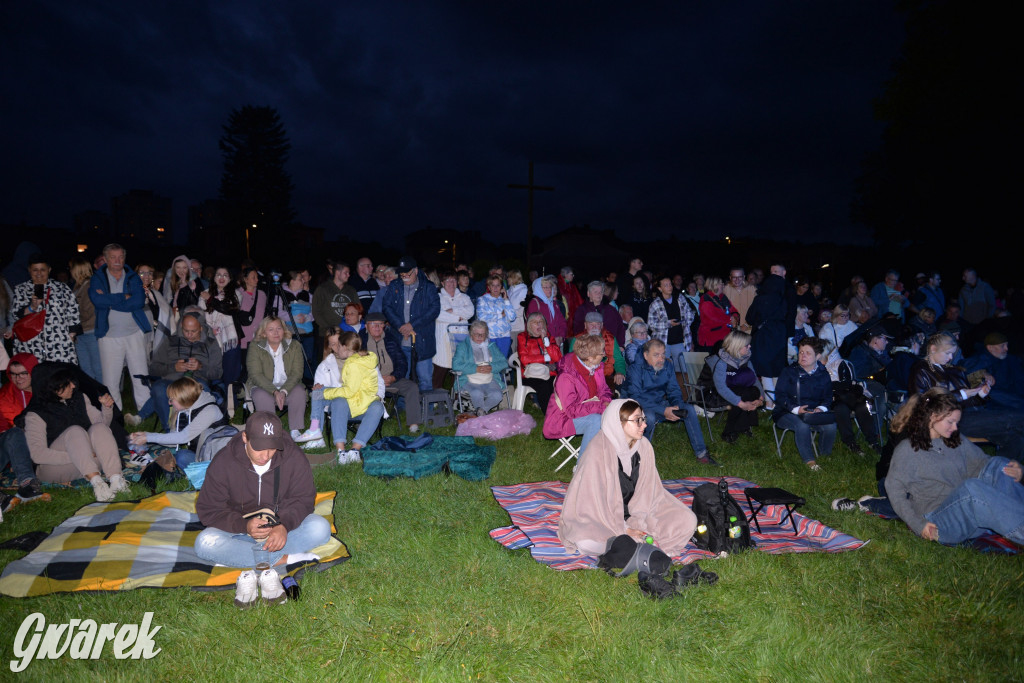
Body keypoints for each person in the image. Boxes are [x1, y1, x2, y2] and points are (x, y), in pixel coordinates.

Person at [194, 411, 331, 607]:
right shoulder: (224, 462)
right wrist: (243, 524)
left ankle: (243, 558)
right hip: (238, 531)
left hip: (280, 531)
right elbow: (208, 509)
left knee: (320, 527)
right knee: (204, 543)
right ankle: (284, 559)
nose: (265, 456)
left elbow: (304, 498)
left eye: (272, 449)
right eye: (258, 448)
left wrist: (284, 524)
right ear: (245, 437)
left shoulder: (293, 456)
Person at [557, 399, 698, 558]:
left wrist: (637, 521)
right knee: (586, 541)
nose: (644, 425)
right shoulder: (598, 450)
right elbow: (592, 504)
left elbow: (650, 491)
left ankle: (634, 545)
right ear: (618, 422)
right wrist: (624, 529)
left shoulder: (644, 447)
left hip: (637, 513)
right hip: (602, 517)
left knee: (687, 520)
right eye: (638, 420)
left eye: (643, 419)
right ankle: (631, 544)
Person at [885, 388, 1024, 546]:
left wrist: (1015, 469)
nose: (955, 428)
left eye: (957, 422)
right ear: (932, 417)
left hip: (967, 513)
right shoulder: (908, 449)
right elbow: (894, 491)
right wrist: (918, 525)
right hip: (939, 521)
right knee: (972, 488)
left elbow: (985, 465)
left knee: (999, 465)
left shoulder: (954, 440)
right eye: (950, 422)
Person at [19, 364, 125, 501]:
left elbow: (102, 428)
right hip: (54, 466)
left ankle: (116, 480)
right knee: (75, 431)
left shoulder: (79, 398)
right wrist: (80, 455)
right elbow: (37, 455)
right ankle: (98, 484)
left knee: (99, 428)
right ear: (53, 386)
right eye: (68, 383)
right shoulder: (35, 414)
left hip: (87, 460)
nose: (73, 386)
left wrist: (106, 408)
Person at [909, 333, 1024, 455]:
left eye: (952, 354)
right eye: (947, 353)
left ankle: (995, 472)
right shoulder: (921, 370)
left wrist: (980, 394)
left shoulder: (953, 370)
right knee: (1017, 418)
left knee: (1016, 440)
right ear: (933, 349)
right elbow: (924, 403)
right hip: (949, 420)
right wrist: (961, 394)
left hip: (972, 414)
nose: (950, 357)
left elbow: (971, 400)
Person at [626, 339, 717, 466]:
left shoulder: (667, 366)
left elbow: (674, 389)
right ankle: (640, 455)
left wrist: (676, 406)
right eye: (656, 355)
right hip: (640, 407)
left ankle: (702, 454)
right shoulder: (635, 369)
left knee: (689, 409)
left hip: (660, 403)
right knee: (650, 417)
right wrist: (663, 410)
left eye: (663, 354)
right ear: (646, 355)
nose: (661, 358)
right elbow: (636, 398)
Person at [89, 243, 151, 413]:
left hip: (134, 334)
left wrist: (109, 301)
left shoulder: (133, 277)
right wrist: (124, 297)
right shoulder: (97, 278)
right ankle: (115, 415)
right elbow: (97, 300)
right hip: (109, 336)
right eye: (113, 257)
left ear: (125, 258)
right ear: (106, 259)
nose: (117, 260)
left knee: (141, 376)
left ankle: (145, 412)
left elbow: (137, 302)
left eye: (120, 257)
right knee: (111, 380)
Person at [137, 311, 223, 430]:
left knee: (202, 392)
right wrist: (173, 367)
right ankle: (170, 429)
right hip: (171, 381)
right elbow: (153, 369)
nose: (189, 335)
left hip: (197, 382)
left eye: (193, 331)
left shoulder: (211, 344)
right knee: (158, 389)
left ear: (201, 328)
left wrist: (200, 367)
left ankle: (196, 430)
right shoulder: (170, 341)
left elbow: (218, 373)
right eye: (185, 330)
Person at [128, 376, 226, 469]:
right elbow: (174, 440)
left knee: (182, 456)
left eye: (171, 400)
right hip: (201, 452)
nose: (169, 403)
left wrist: (148, 437)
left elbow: (183, 437)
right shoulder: (185, 410)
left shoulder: (210, 411)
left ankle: (208, 476)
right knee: (168, 454)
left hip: (218, 459)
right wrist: (145, 435)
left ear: (183, 398)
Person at [772, 336, 836, 470]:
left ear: (818, 356)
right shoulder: (789, 372)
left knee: (831, 426)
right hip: (786, 412)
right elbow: (780, 396)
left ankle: (825, 456)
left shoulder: (823, 374)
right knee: (802, 425)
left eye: (808, 353)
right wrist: (795, 409)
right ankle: (810, 461)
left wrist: (821, 408)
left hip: (812, 413)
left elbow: (828, 397)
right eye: (801, 352)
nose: (803, 356)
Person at [321, 332, 386, 464]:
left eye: (338, 345)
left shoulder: (363, 362)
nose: (336, 349)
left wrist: (377, 396)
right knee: (339, 402)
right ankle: (341, 451)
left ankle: (354, 450)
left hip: (362, 406)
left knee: (377, 406)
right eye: (333, 345)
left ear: (345, 347)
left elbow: (379, 383)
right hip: (345, 407)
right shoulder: (329, 362)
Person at [543, 334, 612, 453]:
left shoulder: (596, 366)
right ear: (590, 358)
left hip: (589, 408)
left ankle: (613, 458)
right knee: (596, 420)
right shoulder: (567, 376)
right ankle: (583, 466)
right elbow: (571, 410)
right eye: (602, 352)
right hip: (562, 419)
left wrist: (606, 401)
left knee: (619, 410)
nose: (605, 354)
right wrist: (601, 407)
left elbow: (603, 389)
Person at [381, 256, 441, 392]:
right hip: (400, 340)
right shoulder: (394, 286)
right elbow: (386, 307)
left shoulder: (428, 287)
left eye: (407, 274)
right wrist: (400, 326)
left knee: (425, 378)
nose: (404, 278)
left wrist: (412, 325)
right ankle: (403, 409)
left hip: (423, 341)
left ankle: (427, 409)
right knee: (402, 377)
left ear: (415, 270)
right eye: (402, 275)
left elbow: (434, 309)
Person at [12, 253, 81, 364]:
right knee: (34, 374)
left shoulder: (61, 288)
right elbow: (16, 314)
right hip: (30, 342)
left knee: (60, 375)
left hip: (59, 342)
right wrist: (32, 307)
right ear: (29, 270)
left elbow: (73, 311)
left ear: (49, 270)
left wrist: (72, 334)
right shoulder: (21, 289)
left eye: (42, 270)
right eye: (35, 270)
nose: (39, 273)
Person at [246, 317, 308, 439]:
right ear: (263, 333)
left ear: (284, 330)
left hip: (287, 385)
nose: (276, 332)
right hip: (263, 386)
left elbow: (297, 373)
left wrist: (283, 391)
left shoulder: (294, 345)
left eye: (279, 328)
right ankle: (270, 433)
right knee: (262, 396)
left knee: (299, 392)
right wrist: (274, 392)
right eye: (271, 329)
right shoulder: (255, 347)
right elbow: (255, 374)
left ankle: (295, 431)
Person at [359, 313, 422, 432]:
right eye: (373, 324)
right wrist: (376, 379)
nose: (377, 327)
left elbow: (402, 363)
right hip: (369, 382)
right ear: (366, 326)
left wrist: (393, 377)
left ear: (384, 326)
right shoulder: (360, 340)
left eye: (380, 324)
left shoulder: (391, 338)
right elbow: (356, 366)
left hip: (390, 379)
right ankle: (363, 422)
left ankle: (413, 424)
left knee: (412, 387)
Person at [0, 353, 46, 503]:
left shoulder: (46, 391)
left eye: (23, 374)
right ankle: (28, 485)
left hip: (43, 444)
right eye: (13, 374)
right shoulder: (5, 395)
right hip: (10, 448)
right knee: (15, 433)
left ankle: (25, 489)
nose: (18, 379)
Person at [747, 264, 793, 406]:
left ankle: (769, 402)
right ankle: (778, 401)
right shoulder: (783, 299)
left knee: (765, 370)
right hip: (779, 335)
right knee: (777, 369)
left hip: (764, 336)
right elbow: (790, 316)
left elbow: (749, 318)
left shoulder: (760, 299)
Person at [709, 331, 764, 443]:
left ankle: (741, 427)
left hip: (741, 393)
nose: (750, 346)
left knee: (752, 390)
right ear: (737, 346)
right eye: (746, 345)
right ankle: (729, 431)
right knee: (744, 393)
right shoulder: (722, 362)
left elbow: (755, 381)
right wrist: (741, 404)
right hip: (721, 394)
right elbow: (721, 388)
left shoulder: (746, 360)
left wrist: (761, 398)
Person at [452, 320, 508, 415]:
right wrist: (475, 368)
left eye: (483, 334)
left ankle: (480, 413)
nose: (480, 337)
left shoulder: (491, 346)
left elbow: (504, 362)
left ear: (486, 335)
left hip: (490, 379)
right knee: (477, 393)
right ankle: (482, 416)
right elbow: (456, 365)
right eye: (476, 334)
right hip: (469, 380)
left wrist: (492, 367)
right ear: (471, 334)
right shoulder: (463, 346)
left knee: (497, 395)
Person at [199, 267, 242, 386]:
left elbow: (229, 309)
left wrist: (210, 299)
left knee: (230, 375)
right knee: (214, 374)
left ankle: (230, 401)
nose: (221, 278)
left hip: (230, 340)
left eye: (225, 275)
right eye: (218, 275)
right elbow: (201, 316)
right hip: (211, 338)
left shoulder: (236, 293)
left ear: (230, 278)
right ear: (214, 278)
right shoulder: (205, 293)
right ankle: (216, 399)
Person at [432, 270, 474, 388]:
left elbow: (470, 312)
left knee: (459, 369)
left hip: (460, 337)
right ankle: (435, 400)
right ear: (442, 283)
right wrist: (459, 316)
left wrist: (452, 311)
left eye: (454, 280)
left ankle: (456, 398)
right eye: (448, 280)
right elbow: (438, 314)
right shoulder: (437, 297)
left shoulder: (465, 297)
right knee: (440, 369)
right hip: (443, 339)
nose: (451, 283)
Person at [647, 276, 695, 380]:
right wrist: (668, 323)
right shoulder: (655, 304)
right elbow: (651, 324)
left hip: (680, 341)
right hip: (663, 343)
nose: (669, 287)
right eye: (666, 285)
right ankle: (662, 394)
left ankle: (682, 393)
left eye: (670, 284)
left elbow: (690, 314)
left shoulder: (680, 298)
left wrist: (684, 323)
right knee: (662, 371)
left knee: (683, 371)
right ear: (660, 289)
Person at [962, 332, 1024, 411]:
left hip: (1014, 394)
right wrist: (982, 373)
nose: (1006, 349)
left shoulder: (1012, 360)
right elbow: (967, 372)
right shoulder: (979, 360)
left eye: (1007, 345)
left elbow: (1020, 379)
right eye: (1002, 346)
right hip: (995, 399)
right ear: (990, 348)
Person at [517, 312, 562, 412]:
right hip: (531, 374)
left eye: (541, 322)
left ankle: (562, 413)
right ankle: (549, 415)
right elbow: (524, 359)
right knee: (544, 385)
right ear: (529, 325)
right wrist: (544, 358)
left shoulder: (549, 337)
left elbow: (557, 357)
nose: (539, 324)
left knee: (561, 382)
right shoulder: (522, 337)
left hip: (550, 373)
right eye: (535, 322)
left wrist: (545, 340)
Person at [570, 312, 627, 387]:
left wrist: (620, 372)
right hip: (583, 378)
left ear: (602, 325)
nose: (594, 327)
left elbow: (618, 359)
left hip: (605, 377)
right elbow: (571, 361)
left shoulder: (610, 339)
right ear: (585, 325)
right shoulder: (577, 339)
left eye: (597, 324)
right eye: (591, 324)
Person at [136, 262, 173, 362]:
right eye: (142, 273)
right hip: (142, 336)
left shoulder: (155, 294)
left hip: (158, 333)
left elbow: (166, 311)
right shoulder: (133, 294)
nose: (146, 276)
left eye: (149, 273)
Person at [573, 280, 625, 346]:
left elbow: (620, 328)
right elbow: (578, 331)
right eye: (595, 292)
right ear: (588, 293)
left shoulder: (611, 310)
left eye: (600, 292)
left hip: (610, 348)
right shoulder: (581, 310)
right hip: (589, 348)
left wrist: (620, 345)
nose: (598, 294)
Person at [475, 275, 517, 356]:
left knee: (502, 362)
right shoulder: (483, 299)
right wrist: (500, 315)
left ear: (501, 287)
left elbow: (512, 317)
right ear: (489, 287)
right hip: (489, 336)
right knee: (491, 363)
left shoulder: (505, 300)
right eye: (492, 285)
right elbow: (481, 317)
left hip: (505, 336)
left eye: (498, 285)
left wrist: (506, 299)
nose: (495, 288)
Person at [525, 275, 567, 348]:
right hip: (541, 343)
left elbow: (562, 322)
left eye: (550, 287)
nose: (549, 289)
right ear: (539, 289)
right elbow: (535, 327)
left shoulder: (554, 304)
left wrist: (561, 336)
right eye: (546, 287)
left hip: (557, 342)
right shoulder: (534, 303)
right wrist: (551, 339)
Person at [235, 266, 267, 359]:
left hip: (259, 337)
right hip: (244, 339)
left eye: (257, 277)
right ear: (245, 279)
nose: (257, 280)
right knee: (246, 366)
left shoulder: (262, 295)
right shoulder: (237, 294)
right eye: (253, 277)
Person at [696, 277, 733, 352]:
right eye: (720, 284)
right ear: (713, 285)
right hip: (711, 339)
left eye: (723, 283)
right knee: (712, 362)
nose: (723, 285)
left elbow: (732, 310)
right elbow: (715, 317)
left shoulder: (723, 297)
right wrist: (730, 319)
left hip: (723, 337)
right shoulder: (706, 299)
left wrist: (735, 316)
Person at [724, 267, 755, 332]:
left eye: (740, 277)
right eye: (734, 277)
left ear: (744, 277)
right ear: (730, 278)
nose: (737, 280)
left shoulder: (753, 290)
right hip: (730, 329)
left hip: (749, 329)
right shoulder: (724, 290)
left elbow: (757, 309)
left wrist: (746, 325)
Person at [557, 267, 584, 332]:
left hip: (573, 314)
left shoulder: (572, 286)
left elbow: (579, 300)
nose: (573, 276)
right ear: (565, 275)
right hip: (563, 314)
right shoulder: (559, 285)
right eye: (571, 274)